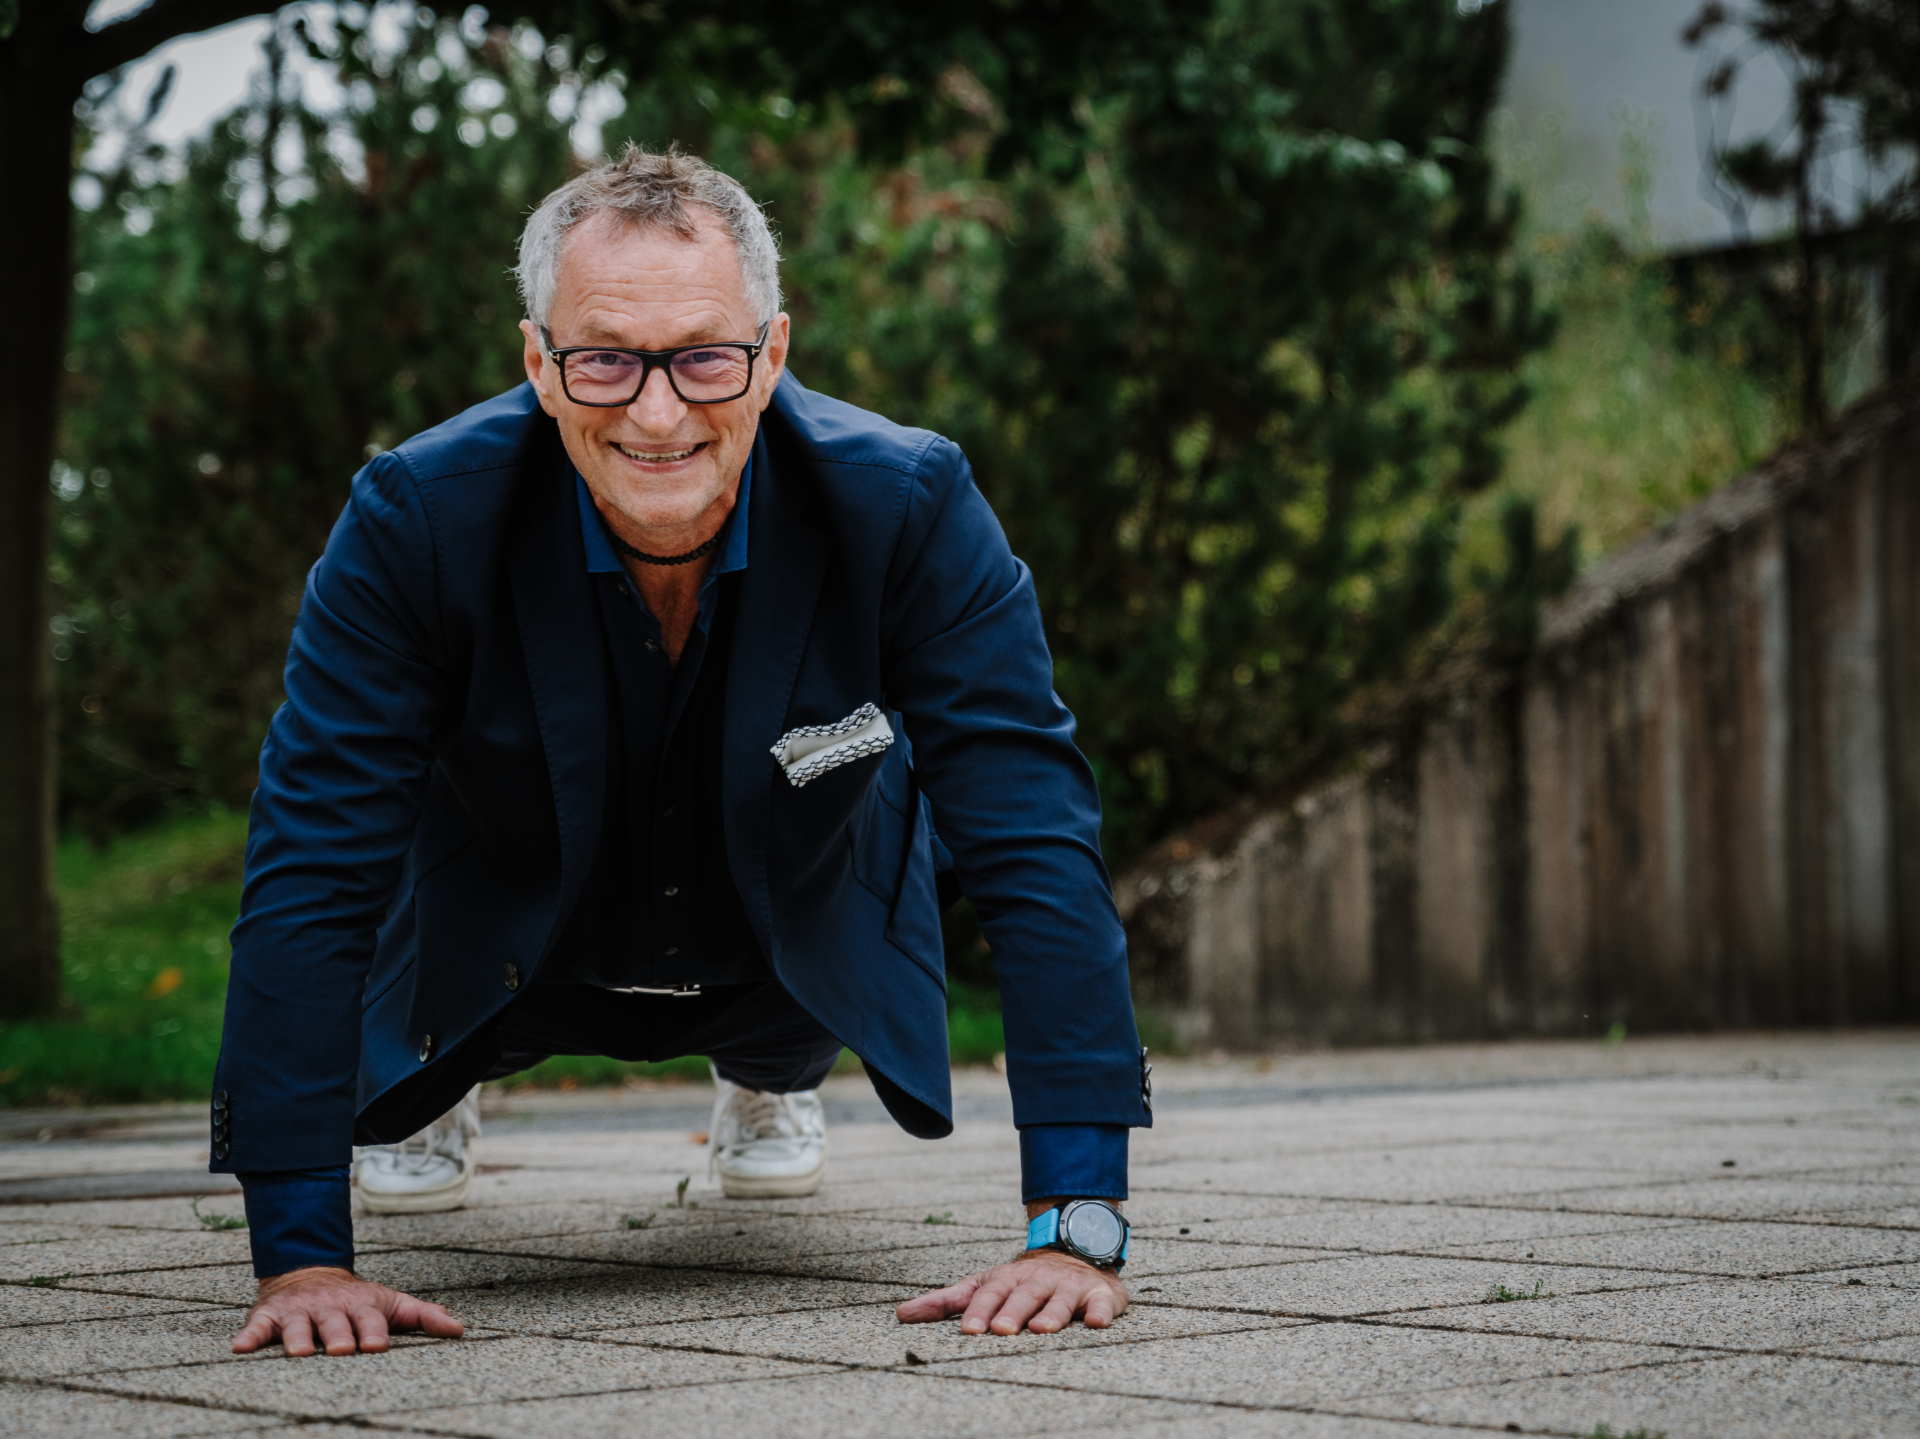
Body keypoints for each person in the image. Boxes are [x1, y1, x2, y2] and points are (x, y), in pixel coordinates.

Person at [212, 145, 1150, 1360]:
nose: (657, 414)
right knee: (411, 1012)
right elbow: (313, 859)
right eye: (604, 359)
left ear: (774, 352)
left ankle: (767, 1082)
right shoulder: (414, 518)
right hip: (498, 936)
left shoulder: (908, 503)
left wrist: (1076, 1227)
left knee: (818, 954)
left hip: (788, 933)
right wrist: (299, 1253)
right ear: (538, 364)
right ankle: (432, 1089)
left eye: (705, 356)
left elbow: (1033, 837)